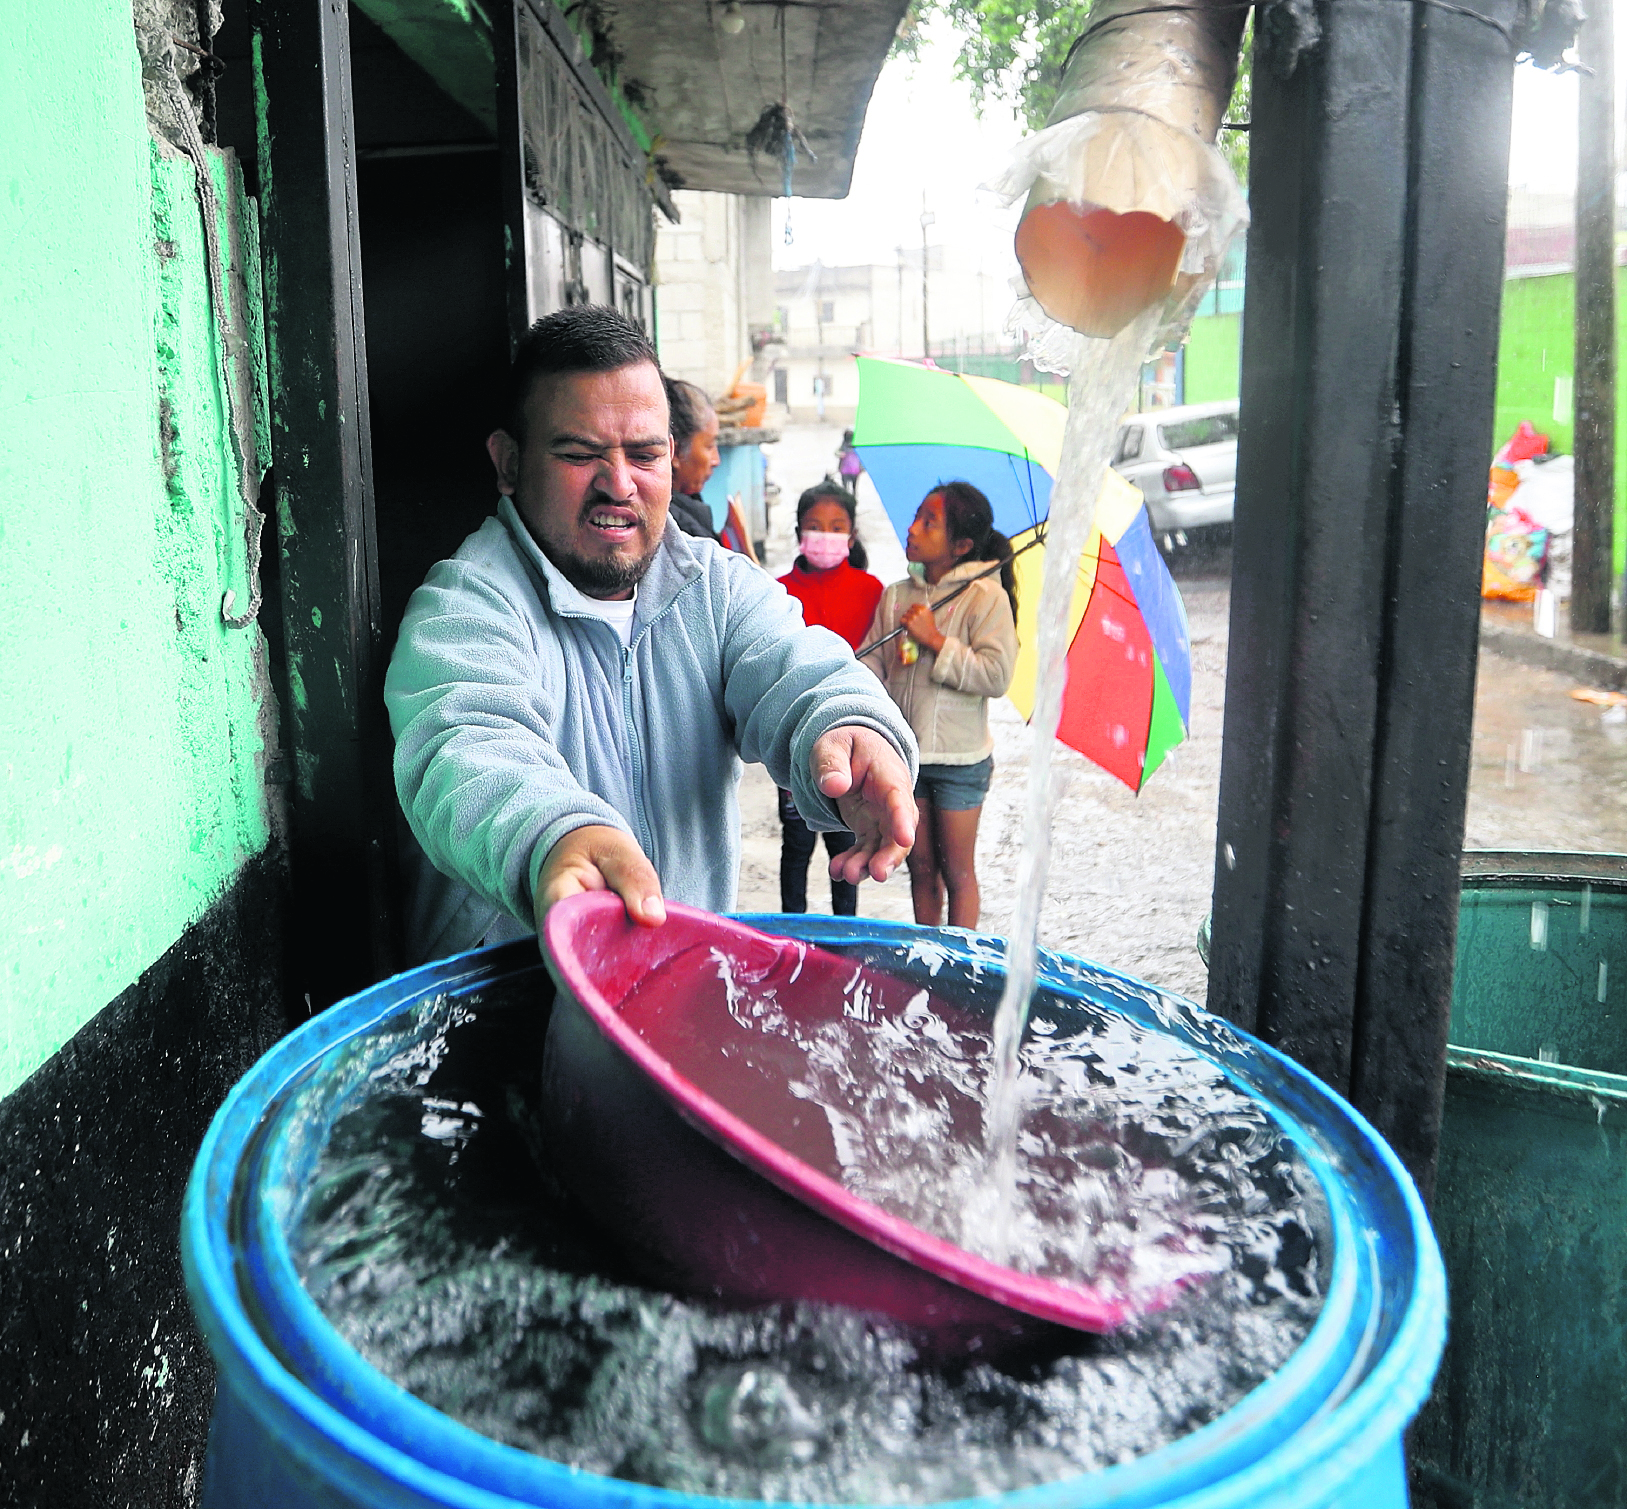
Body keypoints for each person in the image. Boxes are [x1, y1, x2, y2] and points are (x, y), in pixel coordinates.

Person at [384, 305, 918, 963]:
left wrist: (852, 731)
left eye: (645, 454)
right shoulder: (465, 607)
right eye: (579, 454)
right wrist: (556, 837)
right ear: (509, 462)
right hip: (519, 1006)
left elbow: (798, 666)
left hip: (684, 990)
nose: (618, 484)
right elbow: (466, 746)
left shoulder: (716, 588)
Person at [862, 481, 1018, 931]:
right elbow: (874, 661)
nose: (912, 528)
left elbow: (996, 675)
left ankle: (960, 962)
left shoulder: (985, 598)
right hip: (907, 756)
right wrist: (857, 672)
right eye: (917, 516)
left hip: (959, 760)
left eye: (929, 523)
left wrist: (934, 640)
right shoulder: (897, 596)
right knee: (921, 867)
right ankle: (926, 955)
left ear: (961, 545)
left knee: (957, 871)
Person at [776, 482, 885, 915]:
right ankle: (789, 934)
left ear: (852, 535)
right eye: (816, 526)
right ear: (799, 532)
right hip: (792, 742)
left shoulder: (873, 591)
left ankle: (844, 937)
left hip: (853, 742)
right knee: (796, 845)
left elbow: (885, 664)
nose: (826, 535)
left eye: (837, 527)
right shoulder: (777, 594)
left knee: (846, 845)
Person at [664, 376, 721, 542]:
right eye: (709, 446)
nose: (716, 461)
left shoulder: (690, 509)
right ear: (675, 452)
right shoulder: (678, 532)